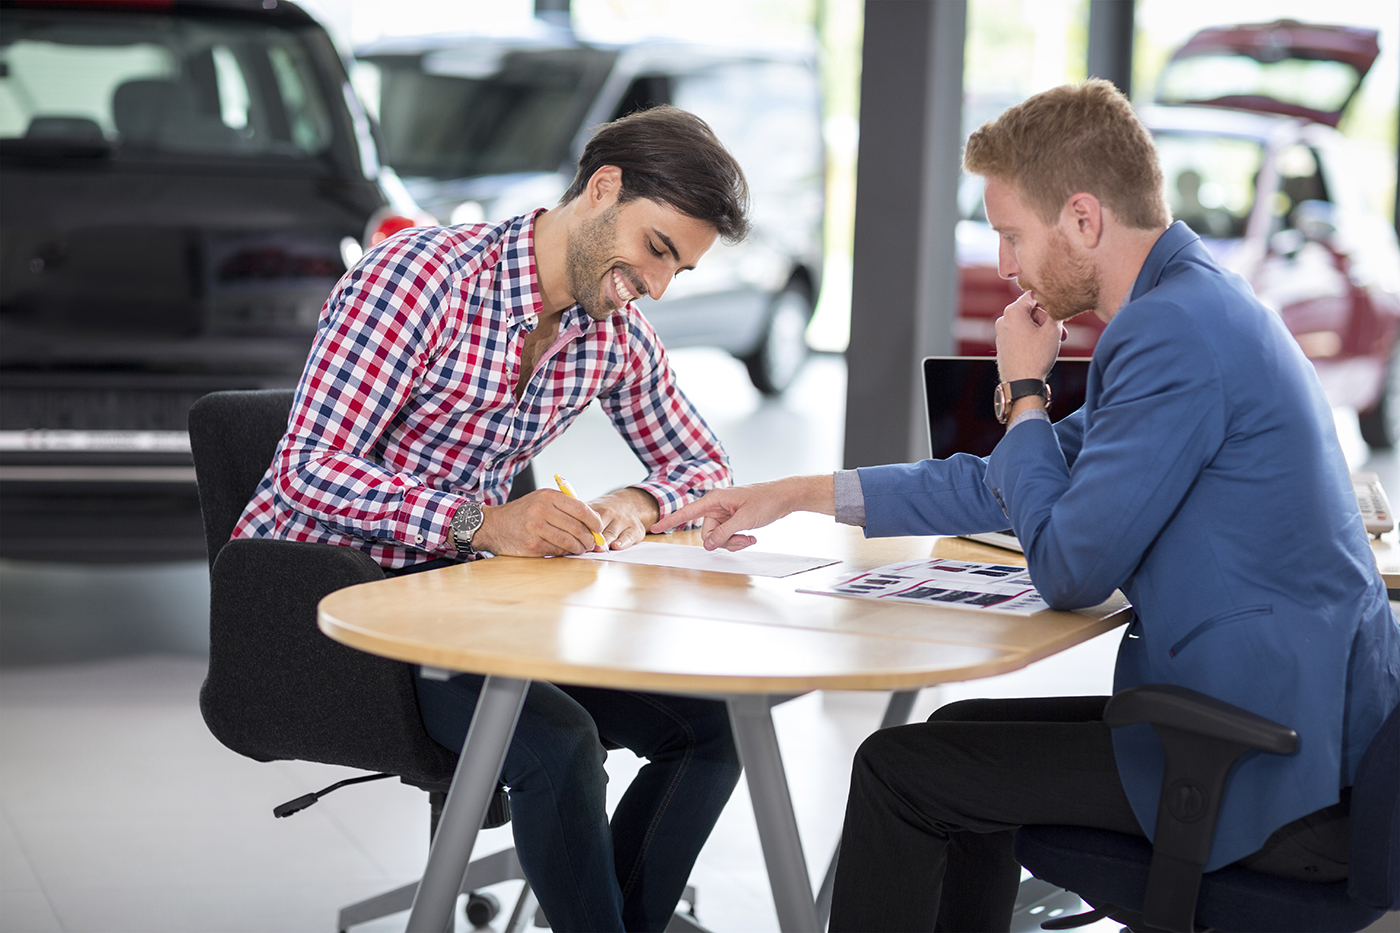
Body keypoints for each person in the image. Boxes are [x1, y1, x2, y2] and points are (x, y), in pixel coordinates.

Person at [653, 80, 1400, 931]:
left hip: (1262, 764)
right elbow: (1015, 475)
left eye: (1012, 234)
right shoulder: (1193, 305)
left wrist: (1025, 387)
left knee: (904, 769)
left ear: (1083, 219)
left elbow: (1073, 567)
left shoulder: (1171, 334)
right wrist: (798, 494)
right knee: (958, 738)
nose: (1006, 264)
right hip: (1285, 725)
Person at [233, 105, 749, 932]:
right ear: (603, 188)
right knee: (560, 743)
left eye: (676, 271)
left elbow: (705, 465)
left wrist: (636, 500)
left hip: (465, 612)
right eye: (656, 249)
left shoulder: (610, 333)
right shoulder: (418, 278)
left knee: (713, 729)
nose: (654, 285)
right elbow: (306, 473)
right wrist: (482, 519)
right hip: (335, 608)